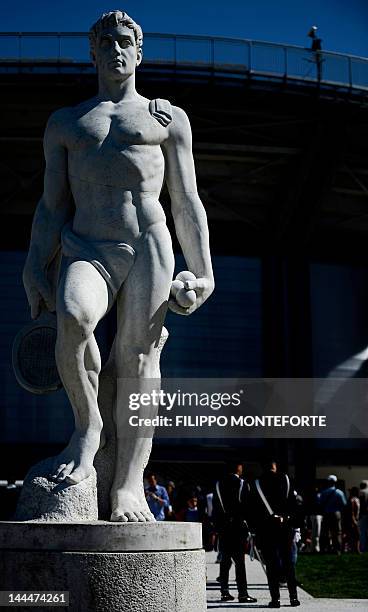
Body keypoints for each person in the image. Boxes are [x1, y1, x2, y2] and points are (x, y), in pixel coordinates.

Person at [22, 10, 214, 523]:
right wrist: (33, 264)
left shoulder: (165, 119)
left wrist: (204, 271)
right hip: (87, 244)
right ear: (93, 51)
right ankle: (88, 432)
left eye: (125, 40)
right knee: (74, 317)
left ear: (140, 50)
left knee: (138, 360)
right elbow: (51, 205)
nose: (116, 49)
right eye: (106, 41)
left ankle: (129, 485)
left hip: (149, 243)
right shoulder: (67, 123)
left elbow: (187, 200)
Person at [249, 459, 302, 608]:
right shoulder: (285, 479)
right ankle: (293, 598)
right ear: (275, 466)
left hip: (266, 528)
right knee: (289, 563)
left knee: (271, 565)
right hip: (285, 525)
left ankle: (275, 599)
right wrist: (288, 519)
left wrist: (256, 527)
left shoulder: (257, 484)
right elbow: (293, 502)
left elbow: (254, 509)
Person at [212, 461, 257, 604]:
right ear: (238, 468)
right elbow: (248, 507)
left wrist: (218, 526)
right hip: (238, 528)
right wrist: (250, 526)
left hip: (224, 528)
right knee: (239, 562)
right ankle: (242, 593)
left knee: (225, 561)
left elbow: (216, 508)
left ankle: (224, 592)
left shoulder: (218, 484)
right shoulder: (242, 484)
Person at [319, 475, 347, 553]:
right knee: (337, 532)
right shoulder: (339, 492)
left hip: (326, 513)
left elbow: (320, 503)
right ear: (335, 482)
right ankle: (337, 549)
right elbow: (344, 504)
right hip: (336, 513)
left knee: (326, 532)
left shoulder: (323, 492)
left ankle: (326, 549)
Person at [344, 487, 360, 553]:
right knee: (356, 535)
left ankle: (355, 549)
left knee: (354, 535)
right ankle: (356, 549)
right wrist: (354, 521)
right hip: (352, 520)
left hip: (355, 519)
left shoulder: (356, 499)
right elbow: (352, 512)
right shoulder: (352, 500)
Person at [359, 481, 368, 552]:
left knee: (362, 532)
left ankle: (363, 548)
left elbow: (361, 505)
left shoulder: (361, 492)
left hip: (363, 515)